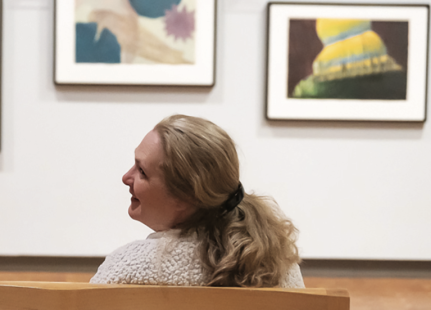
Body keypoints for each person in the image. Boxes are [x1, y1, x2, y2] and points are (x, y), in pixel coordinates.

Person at [91, 114, 304, 288]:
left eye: (142, 171)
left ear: (185, 197)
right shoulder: (278, 267)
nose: (126, 177)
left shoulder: (127, 267)